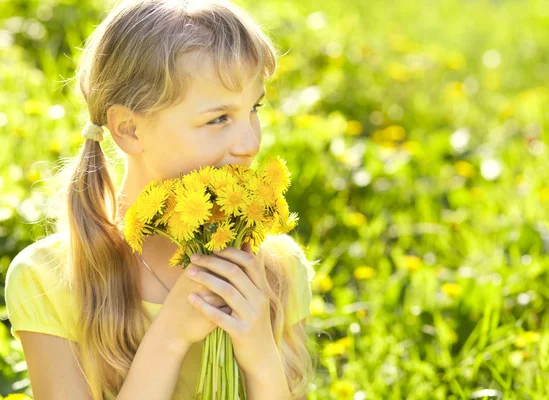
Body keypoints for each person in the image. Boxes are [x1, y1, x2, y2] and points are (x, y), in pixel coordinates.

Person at [3, 0, 318, 398]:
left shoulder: (276, 270)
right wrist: (169, 336)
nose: (250, 143)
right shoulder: (49, 279)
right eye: (218, 118)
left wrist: (260, 355)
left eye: (253, 109)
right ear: (129, 130)